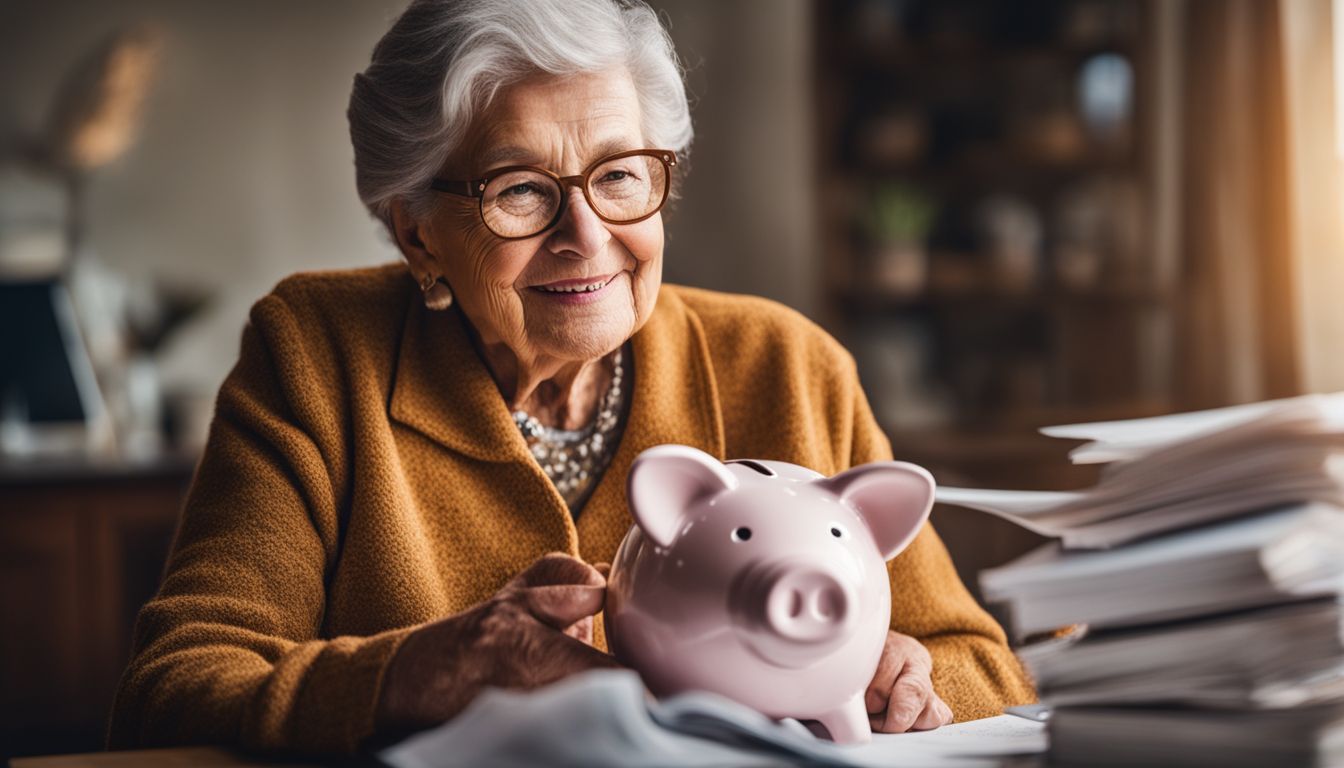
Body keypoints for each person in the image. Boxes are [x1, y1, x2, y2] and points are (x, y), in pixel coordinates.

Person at [108, 0, 1035, 755]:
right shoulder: (317, 351)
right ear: (417, 229)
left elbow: (983, 665)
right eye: (518, 189)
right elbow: (176, 689)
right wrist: (422, 673)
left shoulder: (788, 364)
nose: (586, 237)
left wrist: (899, 677)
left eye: (621, 176)